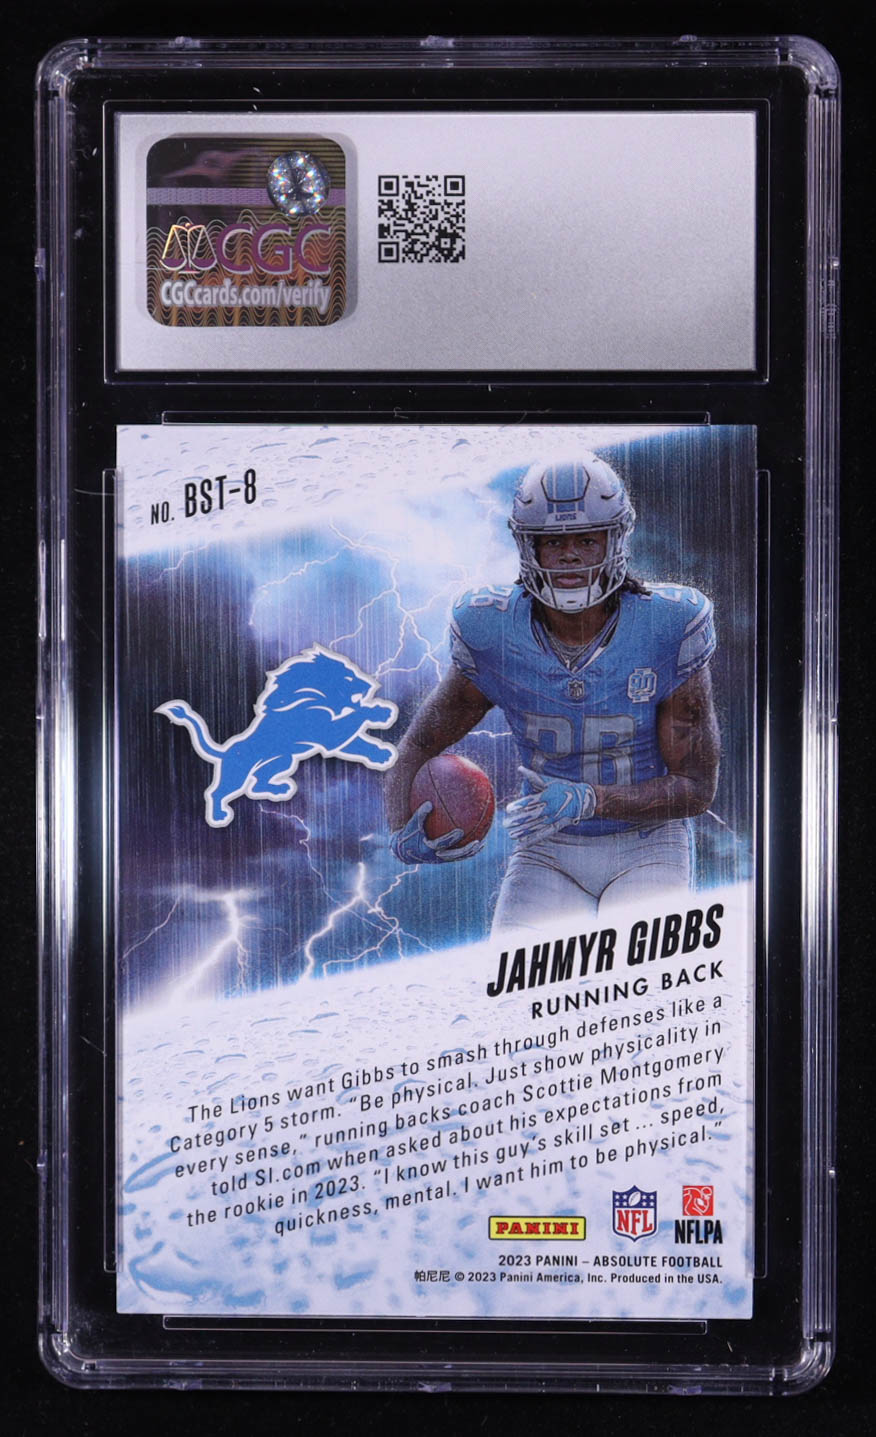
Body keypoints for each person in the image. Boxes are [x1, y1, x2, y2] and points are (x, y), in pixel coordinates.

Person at [385, 455, 720, 930]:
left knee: (635, 969)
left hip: (648, 844)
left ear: (615, 540)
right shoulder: (492, 629)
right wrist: (400, 828)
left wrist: (591, 799)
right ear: (529, 546)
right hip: (547, 848)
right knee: (516, 972)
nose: (570, 556)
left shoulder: (668, 625)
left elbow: (696, 787)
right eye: (553, 541)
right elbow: (420, 744)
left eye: (586, 539)